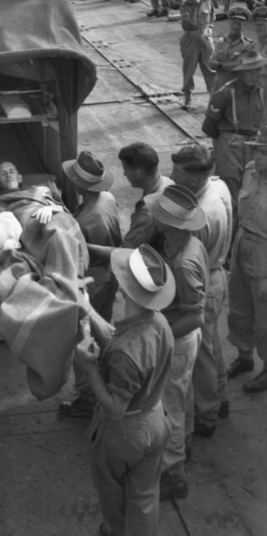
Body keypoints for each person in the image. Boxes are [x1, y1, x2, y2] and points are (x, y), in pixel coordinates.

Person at [76, 243, 174, 536]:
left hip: (123, 432)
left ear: (124, 287)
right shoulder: (157, 322)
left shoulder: (126, 353)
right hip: (155, 418)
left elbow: (115, 407)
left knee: (112, 494)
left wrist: (89, 366)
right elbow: (117, 338)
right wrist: (88, 308)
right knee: (144, 494)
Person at [144, 185, 208, 500]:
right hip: (182, 336)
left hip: (179, 338)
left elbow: (196, 315)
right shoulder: (183, 243)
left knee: (169, 406)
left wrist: (160, 337)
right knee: (182, 396)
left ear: (170, 223)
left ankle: (174, 472)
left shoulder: (183, 262)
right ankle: (187, 444)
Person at [171, 145, 233, 434]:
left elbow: (190, 259)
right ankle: (220, 397)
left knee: (201, 356)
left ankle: (207, 414)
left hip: (205, 281)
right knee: (212, 344)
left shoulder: (200, 215)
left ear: (194, 181)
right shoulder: (218, 187)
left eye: (177, 173)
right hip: (217, 276)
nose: (171, 177)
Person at [59, 151, 121, 419]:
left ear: (78, 184)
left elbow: (74, 255)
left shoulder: (84, 221)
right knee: (103, 332)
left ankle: (87, 396)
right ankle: (108, 380)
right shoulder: (107, 199)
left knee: (83, 338)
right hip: (111, 275)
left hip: (92, 281)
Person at [0, 159, 88, 271]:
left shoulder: (39, 190)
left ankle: (71, 267)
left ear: (19, 177)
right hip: (31, 227)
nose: (8, 175)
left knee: (59, 229)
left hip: (51, 216)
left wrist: (50, 208)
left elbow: (62, 208)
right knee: (56, 234)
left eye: (12, 171)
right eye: (3, 173)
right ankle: (69, 270)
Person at [202, 47, 267, 215]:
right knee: (230, 197)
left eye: (257, 70)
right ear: (240, 73)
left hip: (254, 148)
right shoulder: (224, 94)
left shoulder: (262, 92)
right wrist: (225, 143)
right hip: (230, 149)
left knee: (253, 193)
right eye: (249, 71)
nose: (255, 75)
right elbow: (208, 127)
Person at [226, 129, 267, 394]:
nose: (257, 156)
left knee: (265, 316)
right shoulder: (251, 171)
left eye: (264, 152)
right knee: (239, 307)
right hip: (242, 242)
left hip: (264, 253)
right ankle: (244, 356)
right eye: (256, 150)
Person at [88, 143, 173, 262]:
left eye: (126, 169)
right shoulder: (167, 183)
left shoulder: (148, 212)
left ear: (137, 172)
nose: (124, 174)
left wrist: (86, 247)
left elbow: (124, 253)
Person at [179, 0, 216, 110]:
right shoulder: (185, 5)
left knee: (210, 69)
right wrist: (194, 6)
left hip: (205, 38)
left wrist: (209, 29)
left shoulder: (207, 1)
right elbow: (189, 22)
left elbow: (212, 16)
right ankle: (187, 98)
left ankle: (214, 99)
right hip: (191, 38)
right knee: (189, 70)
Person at [209, 4, 253, 92]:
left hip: (238, 89)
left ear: (244, 25)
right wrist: (225, 65)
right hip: (219, 86)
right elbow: (211, 63)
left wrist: (220, 65)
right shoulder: (221, 42)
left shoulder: (248, 45)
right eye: (234, 23)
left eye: (239, 24)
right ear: (230, 22)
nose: (236, 27)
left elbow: (240, 66)